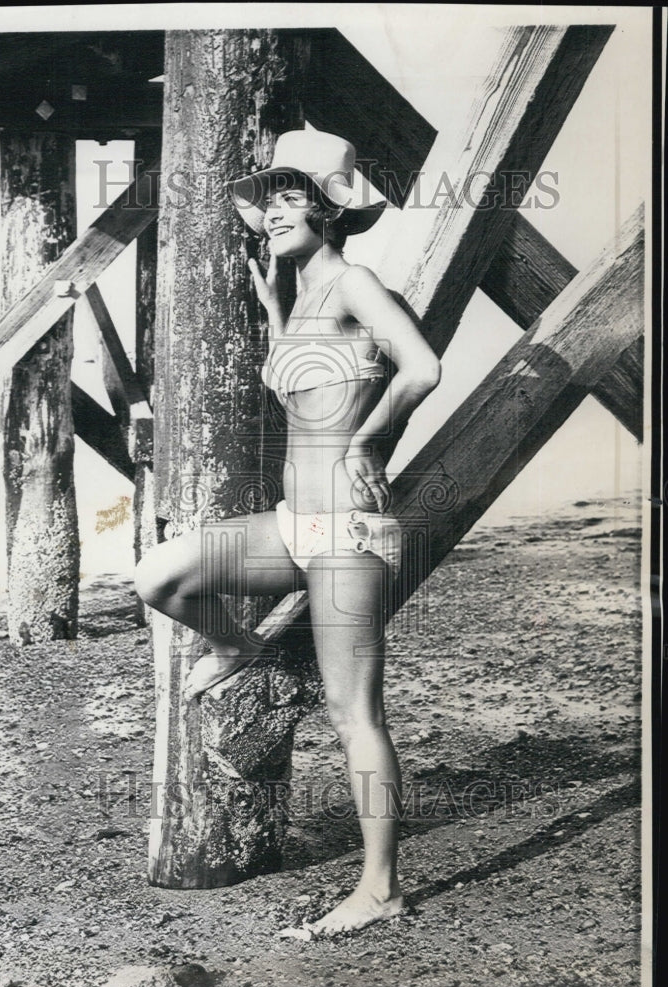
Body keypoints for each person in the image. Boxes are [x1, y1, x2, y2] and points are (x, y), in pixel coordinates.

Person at [134, 130, 441, 935]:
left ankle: (382, 887)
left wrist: (370, 440)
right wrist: (274, 308)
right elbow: (310, 386)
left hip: (348, 529)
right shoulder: (303, 293)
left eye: (291, 196)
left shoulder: (354, 280)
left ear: (333, 212)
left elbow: (422, 366)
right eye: (266, 199)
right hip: (292, 524)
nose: (272, 211)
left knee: (353, 715)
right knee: (160, 574)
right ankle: (236, 644)